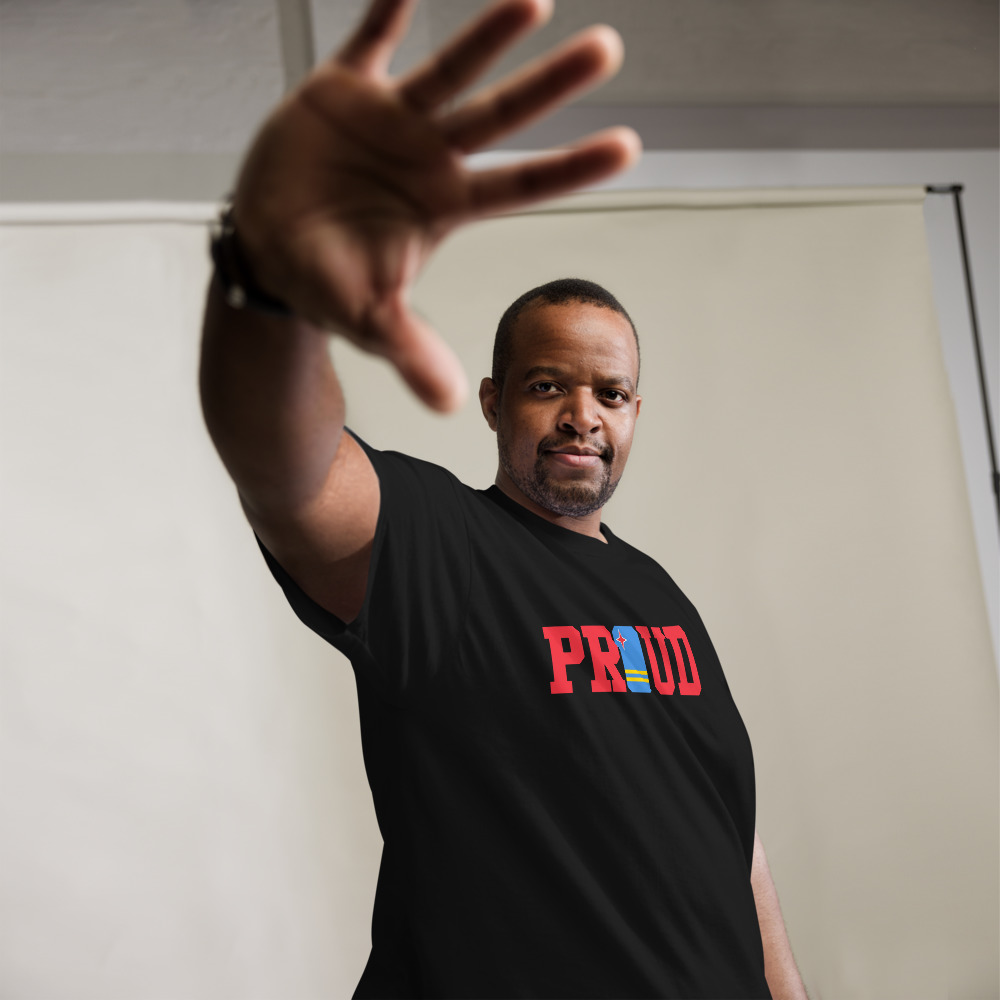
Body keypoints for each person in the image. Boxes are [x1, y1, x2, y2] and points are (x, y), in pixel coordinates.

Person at [199, 0, 808, 996]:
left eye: (610, 393)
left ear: (636, 412)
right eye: (547, 385)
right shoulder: (445, 547)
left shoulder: (661, 595)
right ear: (494, 402)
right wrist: (269, 281)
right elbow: (289, 473)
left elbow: (733, 840)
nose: (582, 415)